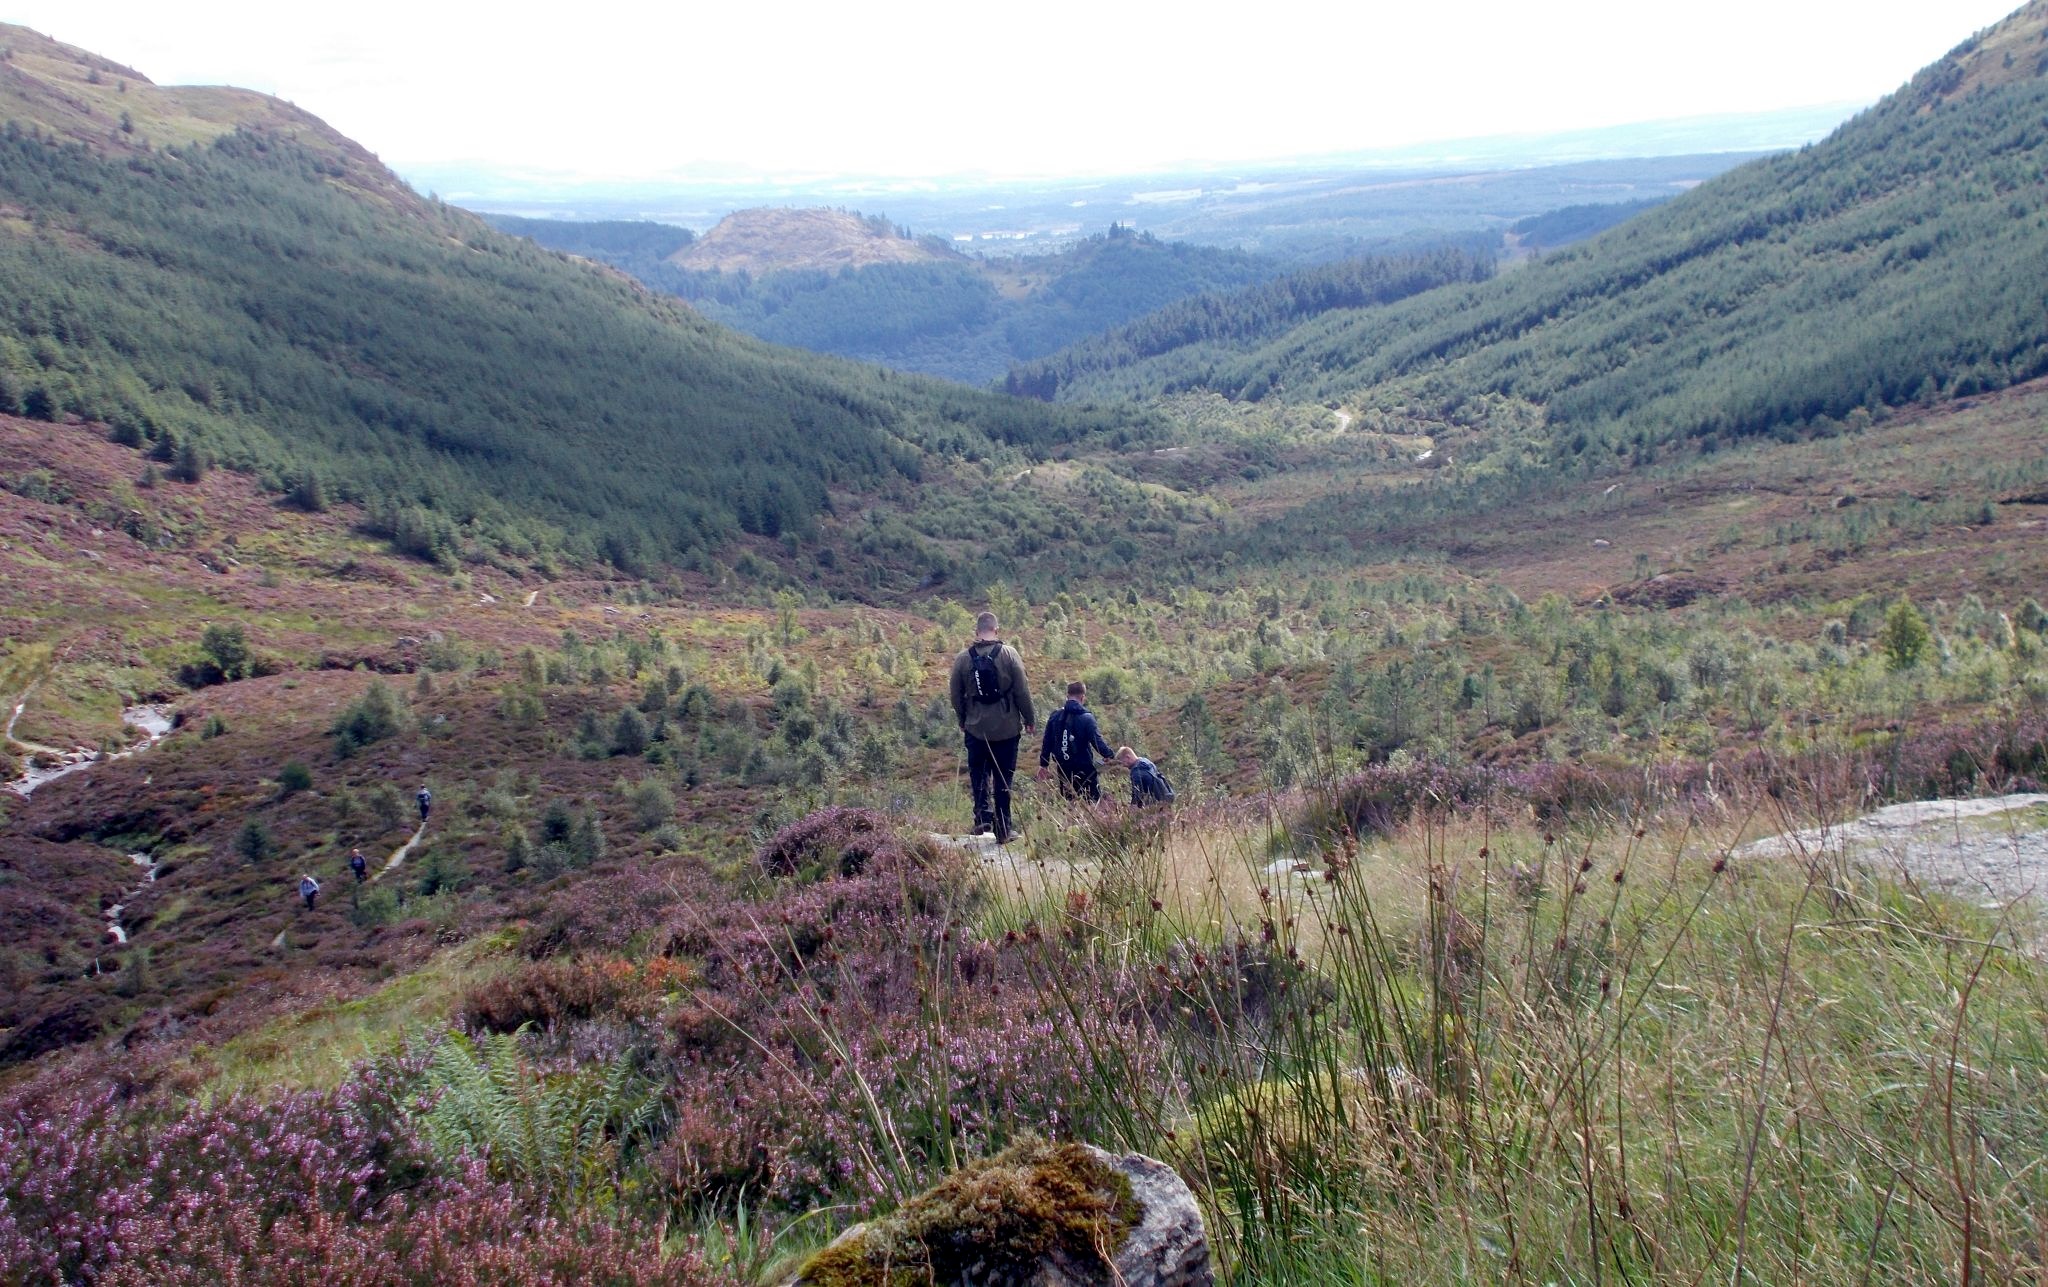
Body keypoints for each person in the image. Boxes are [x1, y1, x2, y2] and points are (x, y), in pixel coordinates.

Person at [948, 611, 1035, 844]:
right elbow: (1022, 691)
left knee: (979, 774)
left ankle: (982, 819)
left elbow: (955, 695)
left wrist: (962, 719)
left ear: (977, 632)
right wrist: (1029, 719)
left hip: (976, 728)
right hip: (1007, 728)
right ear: (996, 630)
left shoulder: (963, 659)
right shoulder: (1010, 654)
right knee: (1003, 778)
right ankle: (1004, 829)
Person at [1037, 680, 1115, 802]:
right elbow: (1097, 742)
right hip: (1085, 769)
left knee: (1070, 804)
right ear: (1083, 697)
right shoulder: (1087, 718)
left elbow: (1047, 742)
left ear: (1067, 696)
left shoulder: (1055, 716)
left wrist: (1043, 765)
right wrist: (1110, 755)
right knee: (1093, 802)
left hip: (1063, 768)